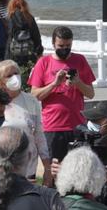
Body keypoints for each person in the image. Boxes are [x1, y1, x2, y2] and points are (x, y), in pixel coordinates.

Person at [26, 27, 95, 162]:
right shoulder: (44, 62)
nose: (65, 48)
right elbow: (34, 95)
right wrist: (54, 84)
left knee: (78, 169)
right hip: (53, 127)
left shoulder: (80, 60)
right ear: (53, 44)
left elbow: (91, 94)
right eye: (61, 46)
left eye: (68, 45)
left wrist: (78, 83)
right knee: (54, 170)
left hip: (77, 125)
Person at [5, 0, 43, 71]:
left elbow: (9, 38)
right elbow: (36, 36)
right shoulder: (29, 17)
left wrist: (7, 57)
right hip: (29, 53)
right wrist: (39, 52)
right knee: (29, 72)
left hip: (14, 54)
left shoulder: (10, 18)